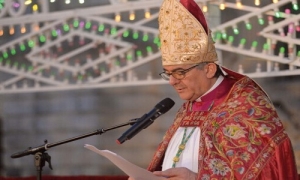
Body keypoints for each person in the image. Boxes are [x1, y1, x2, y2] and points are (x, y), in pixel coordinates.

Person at [130, 0, 299, 179]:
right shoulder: (189, 107)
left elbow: (267, 173)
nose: (172, 81)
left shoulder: (247, 105)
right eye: (168, 73)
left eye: (180, 72)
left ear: (209, 69)